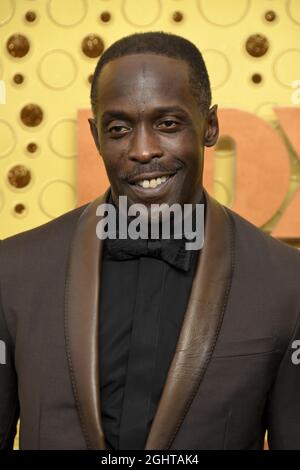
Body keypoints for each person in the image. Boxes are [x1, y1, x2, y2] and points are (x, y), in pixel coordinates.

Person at [1, 31, 300, 451]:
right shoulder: (11, 271)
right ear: (95, 136)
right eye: (120, 128)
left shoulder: (288, 284)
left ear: (210, 126)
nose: (143, 151)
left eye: (167, 124)